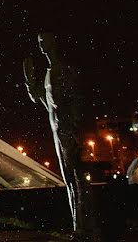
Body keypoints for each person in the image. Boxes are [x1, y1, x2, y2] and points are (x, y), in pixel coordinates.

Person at [23, 32, 100, 241]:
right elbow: (39, 97)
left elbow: (77, 102)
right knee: (69, 181)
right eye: (39, 43)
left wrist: (74, 130)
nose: (41, 47)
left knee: (79, 181)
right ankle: (79, 226)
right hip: (58, 132)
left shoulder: (67, 71)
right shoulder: (48, 73)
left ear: (54, 43)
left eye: (44, 42)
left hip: (69, 134)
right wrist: (29, 77)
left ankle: (88, 229)